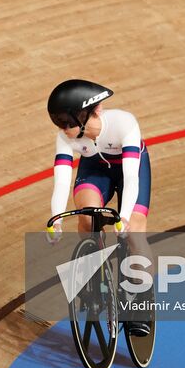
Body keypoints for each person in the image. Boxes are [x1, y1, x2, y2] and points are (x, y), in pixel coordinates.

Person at [45, 78, 152, 333]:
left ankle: (141, 303)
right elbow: (61, 181)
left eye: (67, 122)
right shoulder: (65, 138)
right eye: (59, 123)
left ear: (87, 115)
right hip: (95, 170)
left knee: (135, 232)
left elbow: (131, 177)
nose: (64, 129)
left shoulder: (124, 124)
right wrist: (56, 219)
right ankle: (96, 281)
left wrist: (124, 217)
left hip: (131, 169)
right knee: (87, 217)